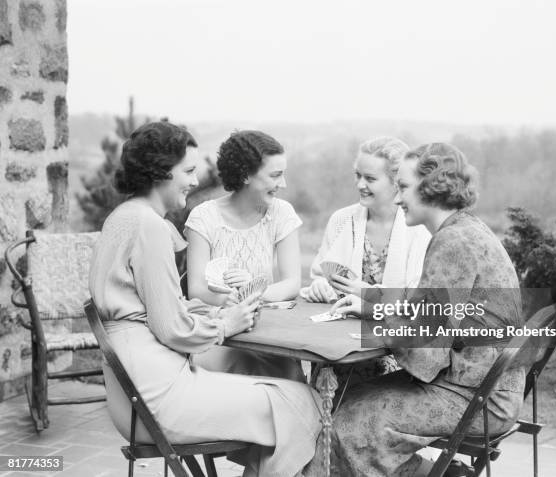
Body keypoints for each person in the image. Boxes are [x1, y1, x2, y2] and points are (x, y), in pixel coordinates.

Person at [89, 122, 321, 477]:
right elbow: (171, 329)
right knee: (301, 401)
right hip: (157, 397)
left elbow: (160, 309)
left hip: (136, 389)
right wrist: (225, 323)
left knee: (269, 372)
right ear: (160, 172)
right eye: (188, 171)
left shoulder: (123, 218)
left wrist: (205, 314)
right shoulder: (147, 227)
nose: (196, 181)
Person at [305, 143, 524, 477]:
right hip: (481, 386)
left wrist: (377, 320)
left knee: (349, 422)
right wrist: (370, 307)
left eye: (404, 188)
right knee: (347, 404)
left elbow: (424, 354)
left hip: (482, 399)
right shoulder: (464, 229)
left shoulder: (453, 243)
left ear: (431, 188)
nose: (397, 198)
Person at [303, 137, 431, 387]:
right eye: (357, 175)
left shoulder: (417, 228)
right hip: (336, 343)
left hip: (392, 351)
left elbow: (418, 301)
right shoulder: (342, 219)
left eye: (370, 179)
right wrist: (320, 285)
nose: (360, 184)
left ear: (396, 182)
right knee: (321, 392)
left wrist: (368, 295)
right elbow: (321, 272)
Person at [184, 130, 304, 379]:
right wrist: (229, 303)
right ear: (246, 174)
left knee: (290, 374)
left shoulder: (282, 213)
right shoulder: (204, 218)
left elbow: (292, 283)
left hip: (268, 333)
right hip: (221, 335)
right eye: (275, 175)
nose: (283, 184)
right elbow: (195, 290)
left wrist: (253, 294)